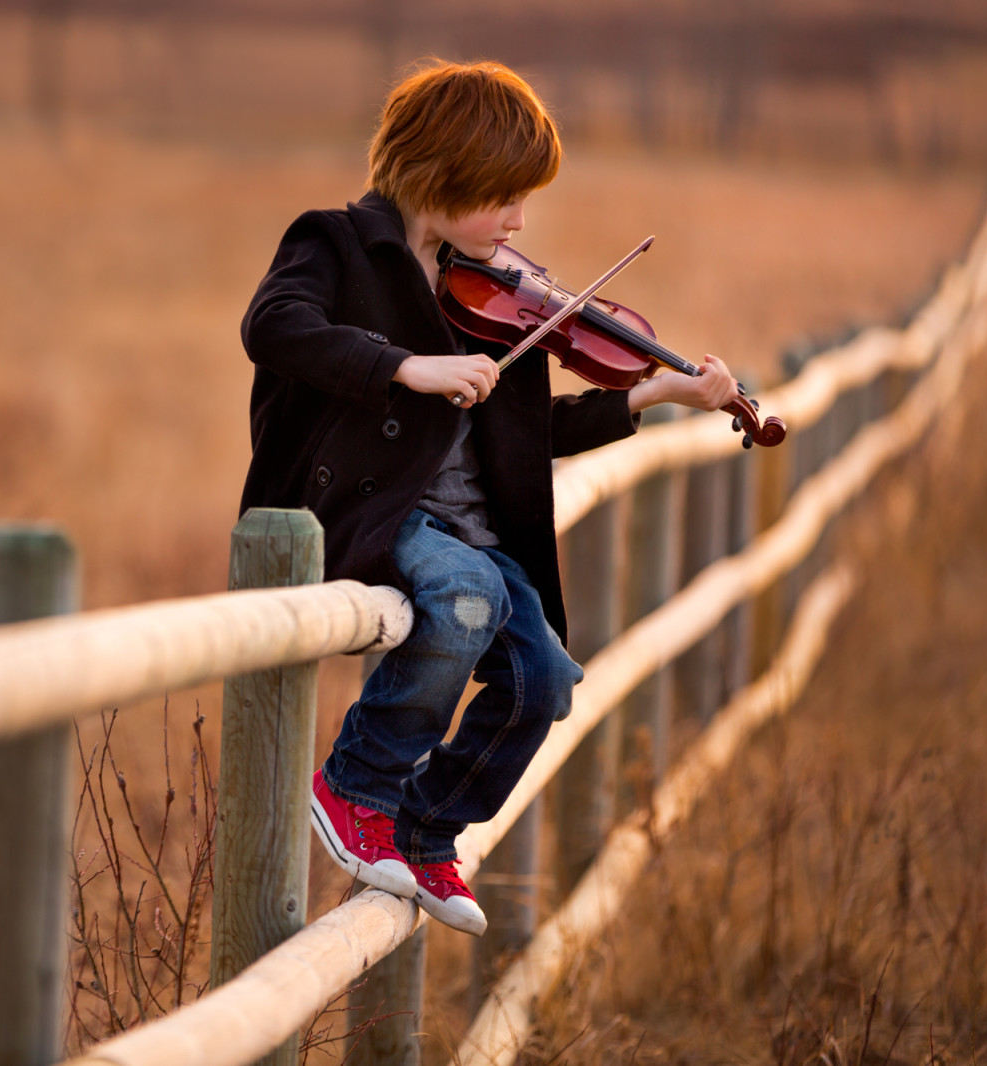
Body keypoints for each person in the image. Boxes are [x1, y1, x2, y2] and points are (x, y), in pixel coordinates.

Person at [238, 59, 739, 935]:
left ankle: (426, 828)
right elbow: (274, 328)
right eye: (504, 197)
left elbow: (524, 433)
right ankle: (354, 787)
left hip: (473, 530)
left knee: (545, 680)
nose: (516, 223)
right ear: (442, 174)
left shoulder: (498, 294)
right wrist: (405, 368)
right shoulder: (334, 244)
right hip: (378, 512)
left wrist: (651, 397)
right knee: (464, 603)